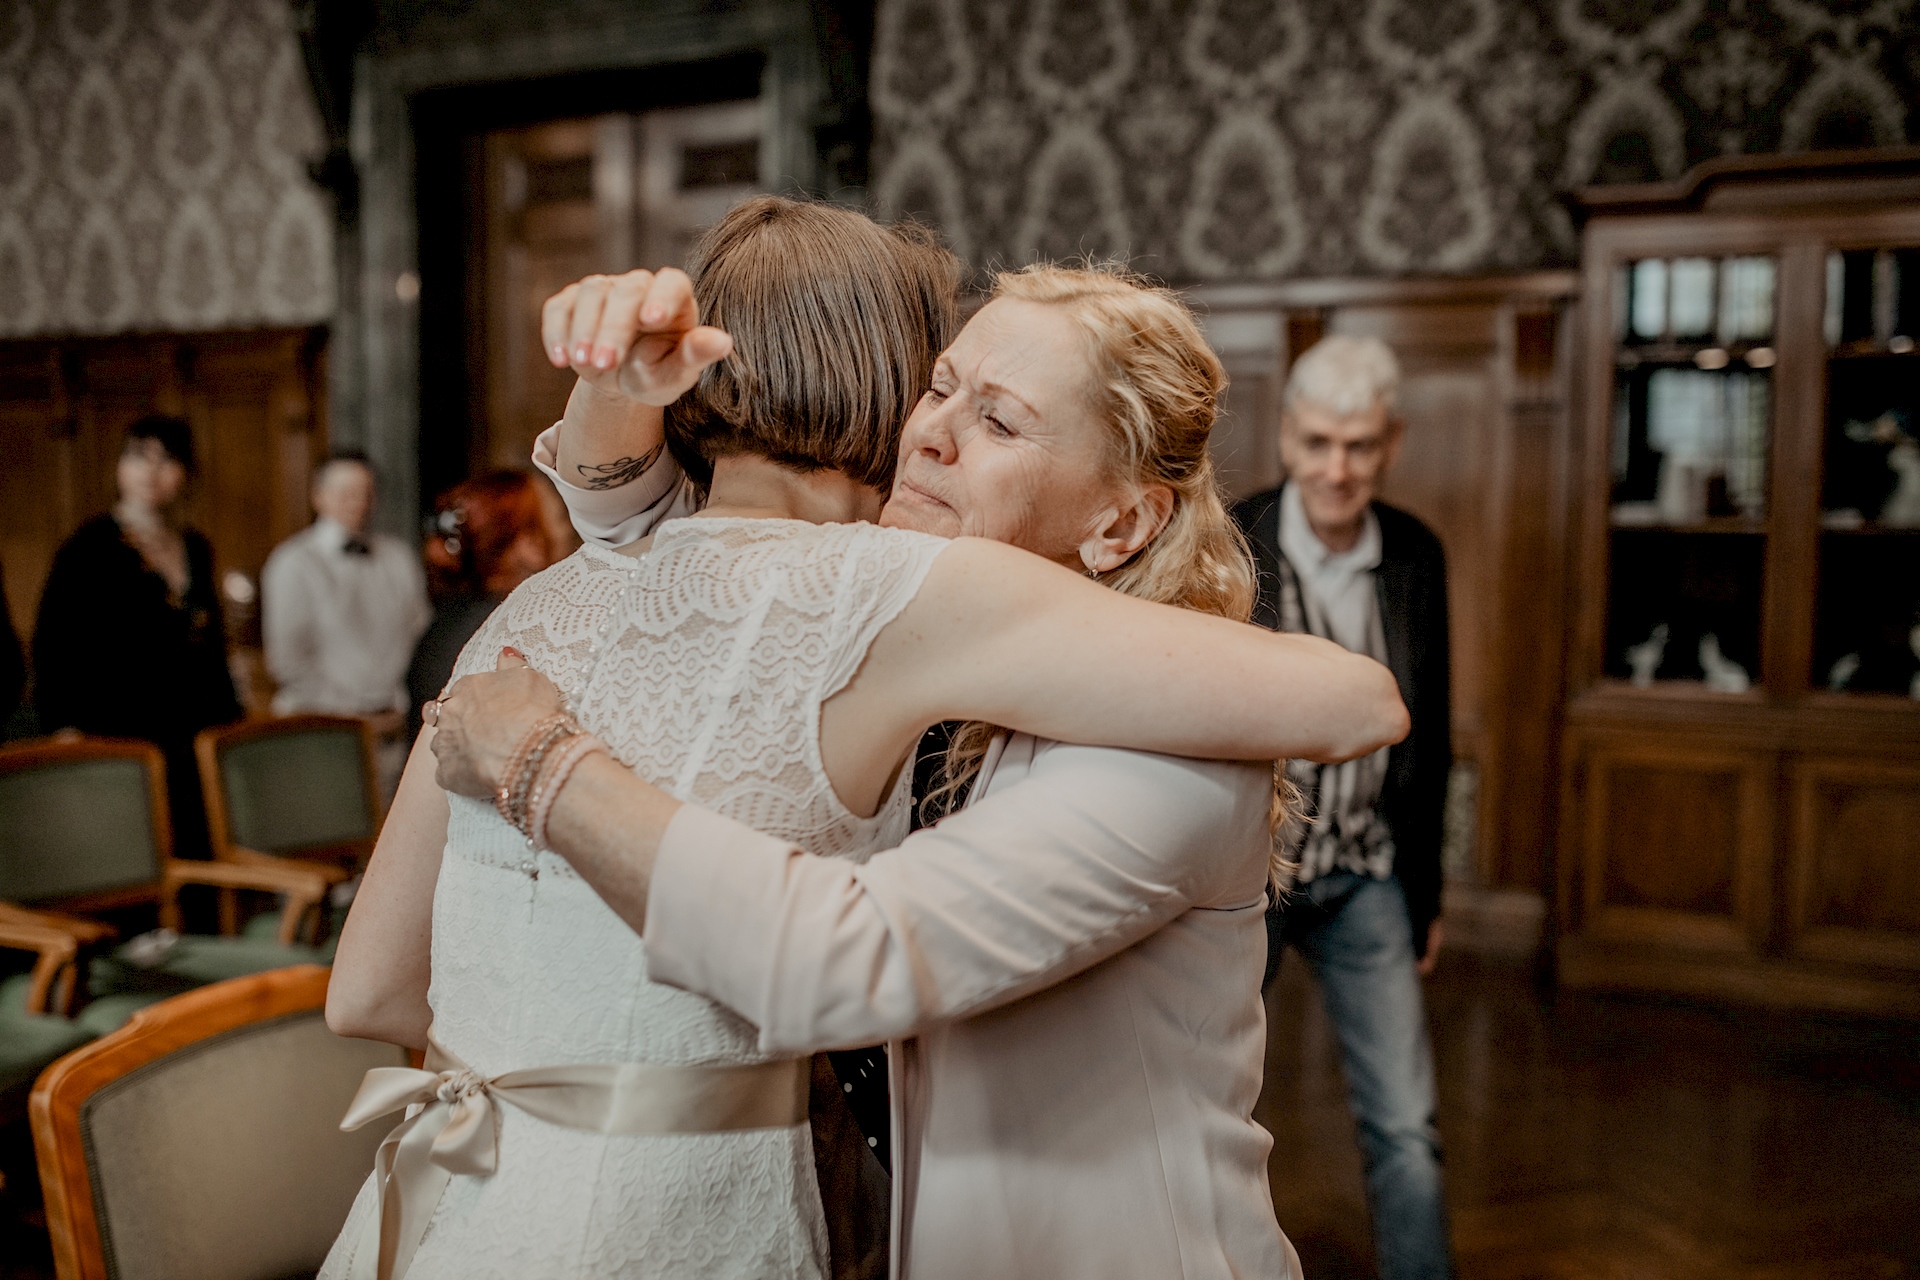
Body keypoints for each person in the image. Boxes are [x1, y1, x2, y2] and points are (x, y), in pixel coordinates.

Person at [323, 199, 1403, 1280]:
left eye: (1000, 419)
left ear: (1121, 522)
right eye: (939, 386)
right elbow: (729, 571)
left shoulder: (554, 618)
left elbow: (370, 990)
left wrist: (541, 764)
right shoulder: (895, 622)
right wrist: (609, 396)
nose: (934, 432)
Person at [1232, 334, 1455, 1280]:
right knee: (1219, 1111)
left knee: (1407, 1124)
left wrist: (1427, 896)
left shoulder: (1414, 552)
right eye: (1318, 441)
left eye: (1359, 446)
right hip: (1254, 879)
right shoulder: (1232, 540)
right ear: (1286, 437)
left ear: (1391, 443)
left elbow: (1431, 731)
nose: (1337, 468)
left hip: (1368, 877)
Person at [33, 415, 243, 855]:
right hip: (115, 731)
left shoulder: (195, 547)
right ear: (119, 468)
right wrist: (64, 728)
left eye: (165, 460)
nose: (150, 471)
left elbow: (211, 648)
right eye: (137, 457)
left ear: (185, 474)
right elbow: (52, 647)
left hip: (189, 735)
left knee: (198, 855)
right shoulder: (87, 547)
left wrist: (231, 722)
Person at [262, 453, 431, 792]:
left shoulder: (398, 557)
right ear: (318, 496)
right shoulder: (293, 562)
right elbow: (287, 662)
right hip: (323, 733)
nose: (357, 502)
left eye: (365, 492)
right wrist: (353, 715)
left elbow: (419, 636)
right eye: (345, 493)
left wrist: (398, 706)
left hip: (396, 728)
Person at [405, 471, 558, 739]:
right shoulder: (513, 628)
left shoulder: (448, 619)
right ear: (528, 543)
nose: (567, 530)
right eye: (559, 519)